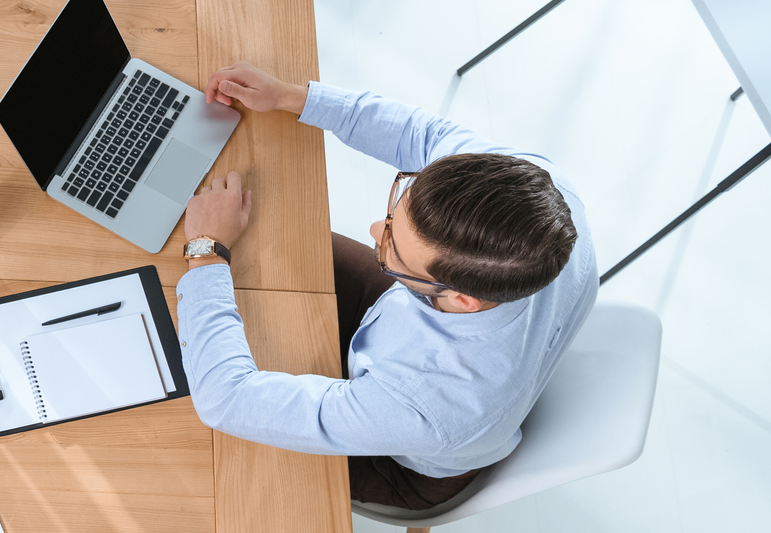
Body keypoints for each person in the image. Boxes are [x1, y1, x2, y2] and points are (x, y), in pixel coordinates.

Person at [173, 63, 597, 510]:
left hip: (401, 459)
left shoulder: (430, 404)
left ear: (459, 298)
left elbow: (225, 400)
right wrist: (293, 97)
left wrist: (206, 251)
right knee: (277, 243)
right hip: (415, 341)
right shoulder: (538, 194)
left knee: (189, 429)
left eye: (394, 243)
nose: (376, 228)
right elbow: (427, 137)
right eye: (396, 213)